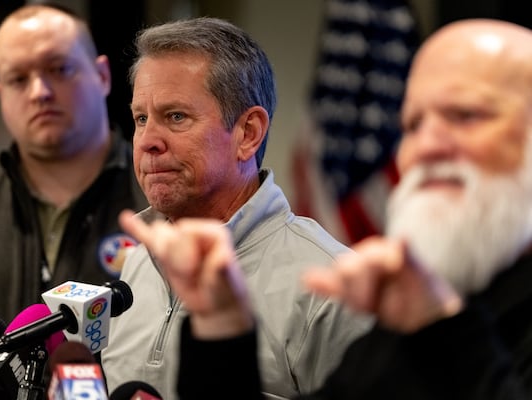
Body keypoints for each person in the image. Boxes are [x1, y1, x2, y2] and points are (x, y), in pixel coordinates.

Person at [117, 18, 532, 399]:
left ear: (248, 133)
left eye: (466, 115)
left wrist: (445, 329)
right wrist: (223, 325)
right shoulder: (419, 307)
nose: (426, 147)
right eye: (413, 125)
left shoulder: (348, 288)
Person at [100, 17, 373, 400]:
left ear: (248, 133)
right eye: (141, 118)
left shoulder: (328, 288)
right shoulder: (136, 263)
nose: (147, 141)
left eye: (175, 117)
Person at [0, 4, 147, 337]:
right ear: (1, 96)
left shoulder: (160, 199)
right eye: (18, 79)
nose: (40, 93)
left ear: (103, 75)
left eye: (59, 69)